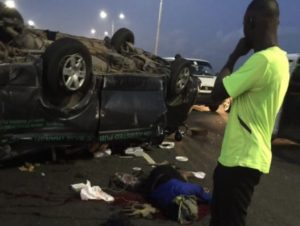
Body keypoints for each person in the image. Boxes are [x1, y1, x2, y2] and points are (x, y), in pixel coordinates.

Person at [210, 1, 290, 226]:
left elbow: (217, 93)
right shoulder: (281, 60)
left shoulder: (262, 61)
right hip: (245, 158)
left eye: (245, 23)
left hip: (241, 161)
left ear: (252, 22)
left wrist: (234, 56)